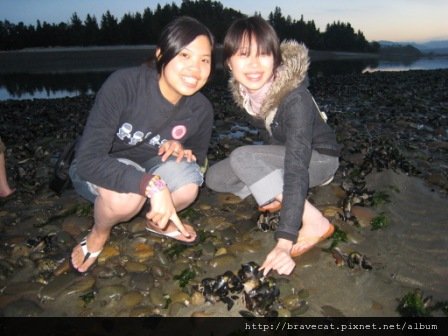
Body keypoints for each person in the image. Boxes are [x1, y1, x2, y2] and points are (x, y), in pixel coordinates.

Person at [69, 16, 215, 273]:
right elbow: (88, 161)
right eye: (184, 55)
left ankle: (157, 221)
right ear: (161, 55)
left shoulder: (201, 108)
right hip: (102, 169)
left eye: (204, 60)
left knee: (189, 185)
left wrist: (182, 148)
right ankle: (100, 232)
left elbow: (198, 160)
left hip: (150, 167)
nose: (196, 69)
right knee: (127, 198)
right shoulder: (125, 85)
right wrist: (152, 186)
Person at [205, 16, 341, 276]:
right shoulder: (251, 95)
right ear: (229, 63)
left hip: (318, 160)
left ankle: (315, 221)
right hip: (290, 157)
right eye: (244, 54)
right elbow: (274, 138)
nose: (254, 64)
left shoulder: (295, 98)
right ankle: (275, 191)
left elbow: (296, 166)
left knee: (242, 157)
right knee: (215, 177)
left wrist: (284, 241)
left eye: (264, 54)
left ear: (276, 59)